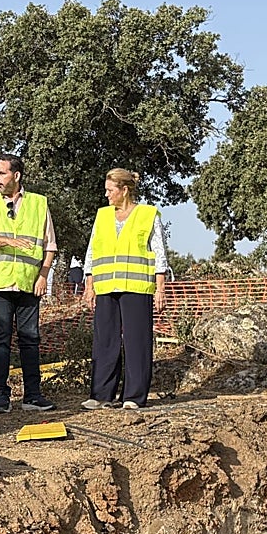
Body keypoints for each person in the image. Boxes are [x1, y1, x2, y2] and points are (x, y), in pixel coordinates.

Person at [81, 168, 169, 411]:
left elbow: (159, 252)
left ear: (124, 190)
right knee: (104, 341)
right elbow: (92, 251)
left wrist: (160, 288)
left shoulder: (148, 214)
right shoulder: (102, 216)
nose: (107, 194)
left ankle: (134, 396)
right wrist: (89, 285)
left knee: (137, 341)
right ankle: (101, 395)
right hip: (106, 286)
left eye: (110, 190)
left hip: (137, 287)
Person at [0, 155, 57, 413]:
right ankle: (1, 396)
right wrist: (10, 242)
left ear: (17, 175)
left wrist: (43, 275)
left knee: (30, 339)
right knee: (1, 340)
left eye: (1, 173)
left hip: (29, 283)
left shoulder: (39, 204)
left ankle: (32, 395)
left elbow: (50, 245)